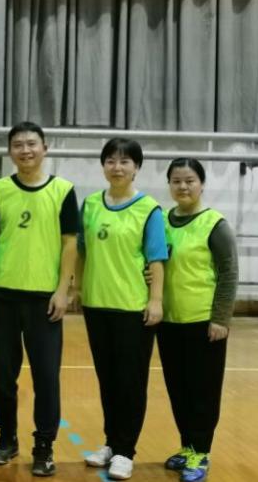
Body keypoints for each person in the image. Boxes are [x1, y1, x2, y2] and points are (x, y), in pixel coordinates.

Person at [0, 121, 78, 477]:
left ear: (44, 148)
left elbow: (70, 243)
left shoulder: (63, 190)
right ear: (10, 151)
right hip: (4, 297)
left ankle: (44, 446)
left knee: (46, 378)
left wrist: (63, 290)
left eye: (32, 144)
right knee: (1, 378)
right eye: (18, 145)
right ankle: (7, 438)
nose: (25, 150)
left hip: (44, 301)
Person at [77, 138, 166, 480]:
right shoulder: (90, 205)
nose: (117, 167)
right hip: (96, 306)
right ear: (103, 165)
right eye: (111, 160)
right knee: (108, 381)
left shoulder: (149, 209)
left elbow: (156, 259)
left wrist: (155, 300)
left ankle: (126, 451)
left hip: (132, 308)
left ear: (136, 168)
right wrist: (76, 288)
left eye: (125, 161)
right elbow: (81, 250)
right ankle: (112, 442)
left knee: (131, 382)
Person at [158, 158, 238, 482]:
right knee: (178, 389)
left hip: (204, 322)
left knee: (203, 391)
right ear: (169, 185)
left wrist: (221, 318)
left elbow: (229, 273)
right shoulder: (162, 221)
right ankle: (188, 446)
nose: (183, 186)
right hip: (168, 321)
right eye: (176, 181)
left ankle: (201, 452)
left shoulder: (215, 224)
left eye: (189, 180)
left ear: (201, 184)